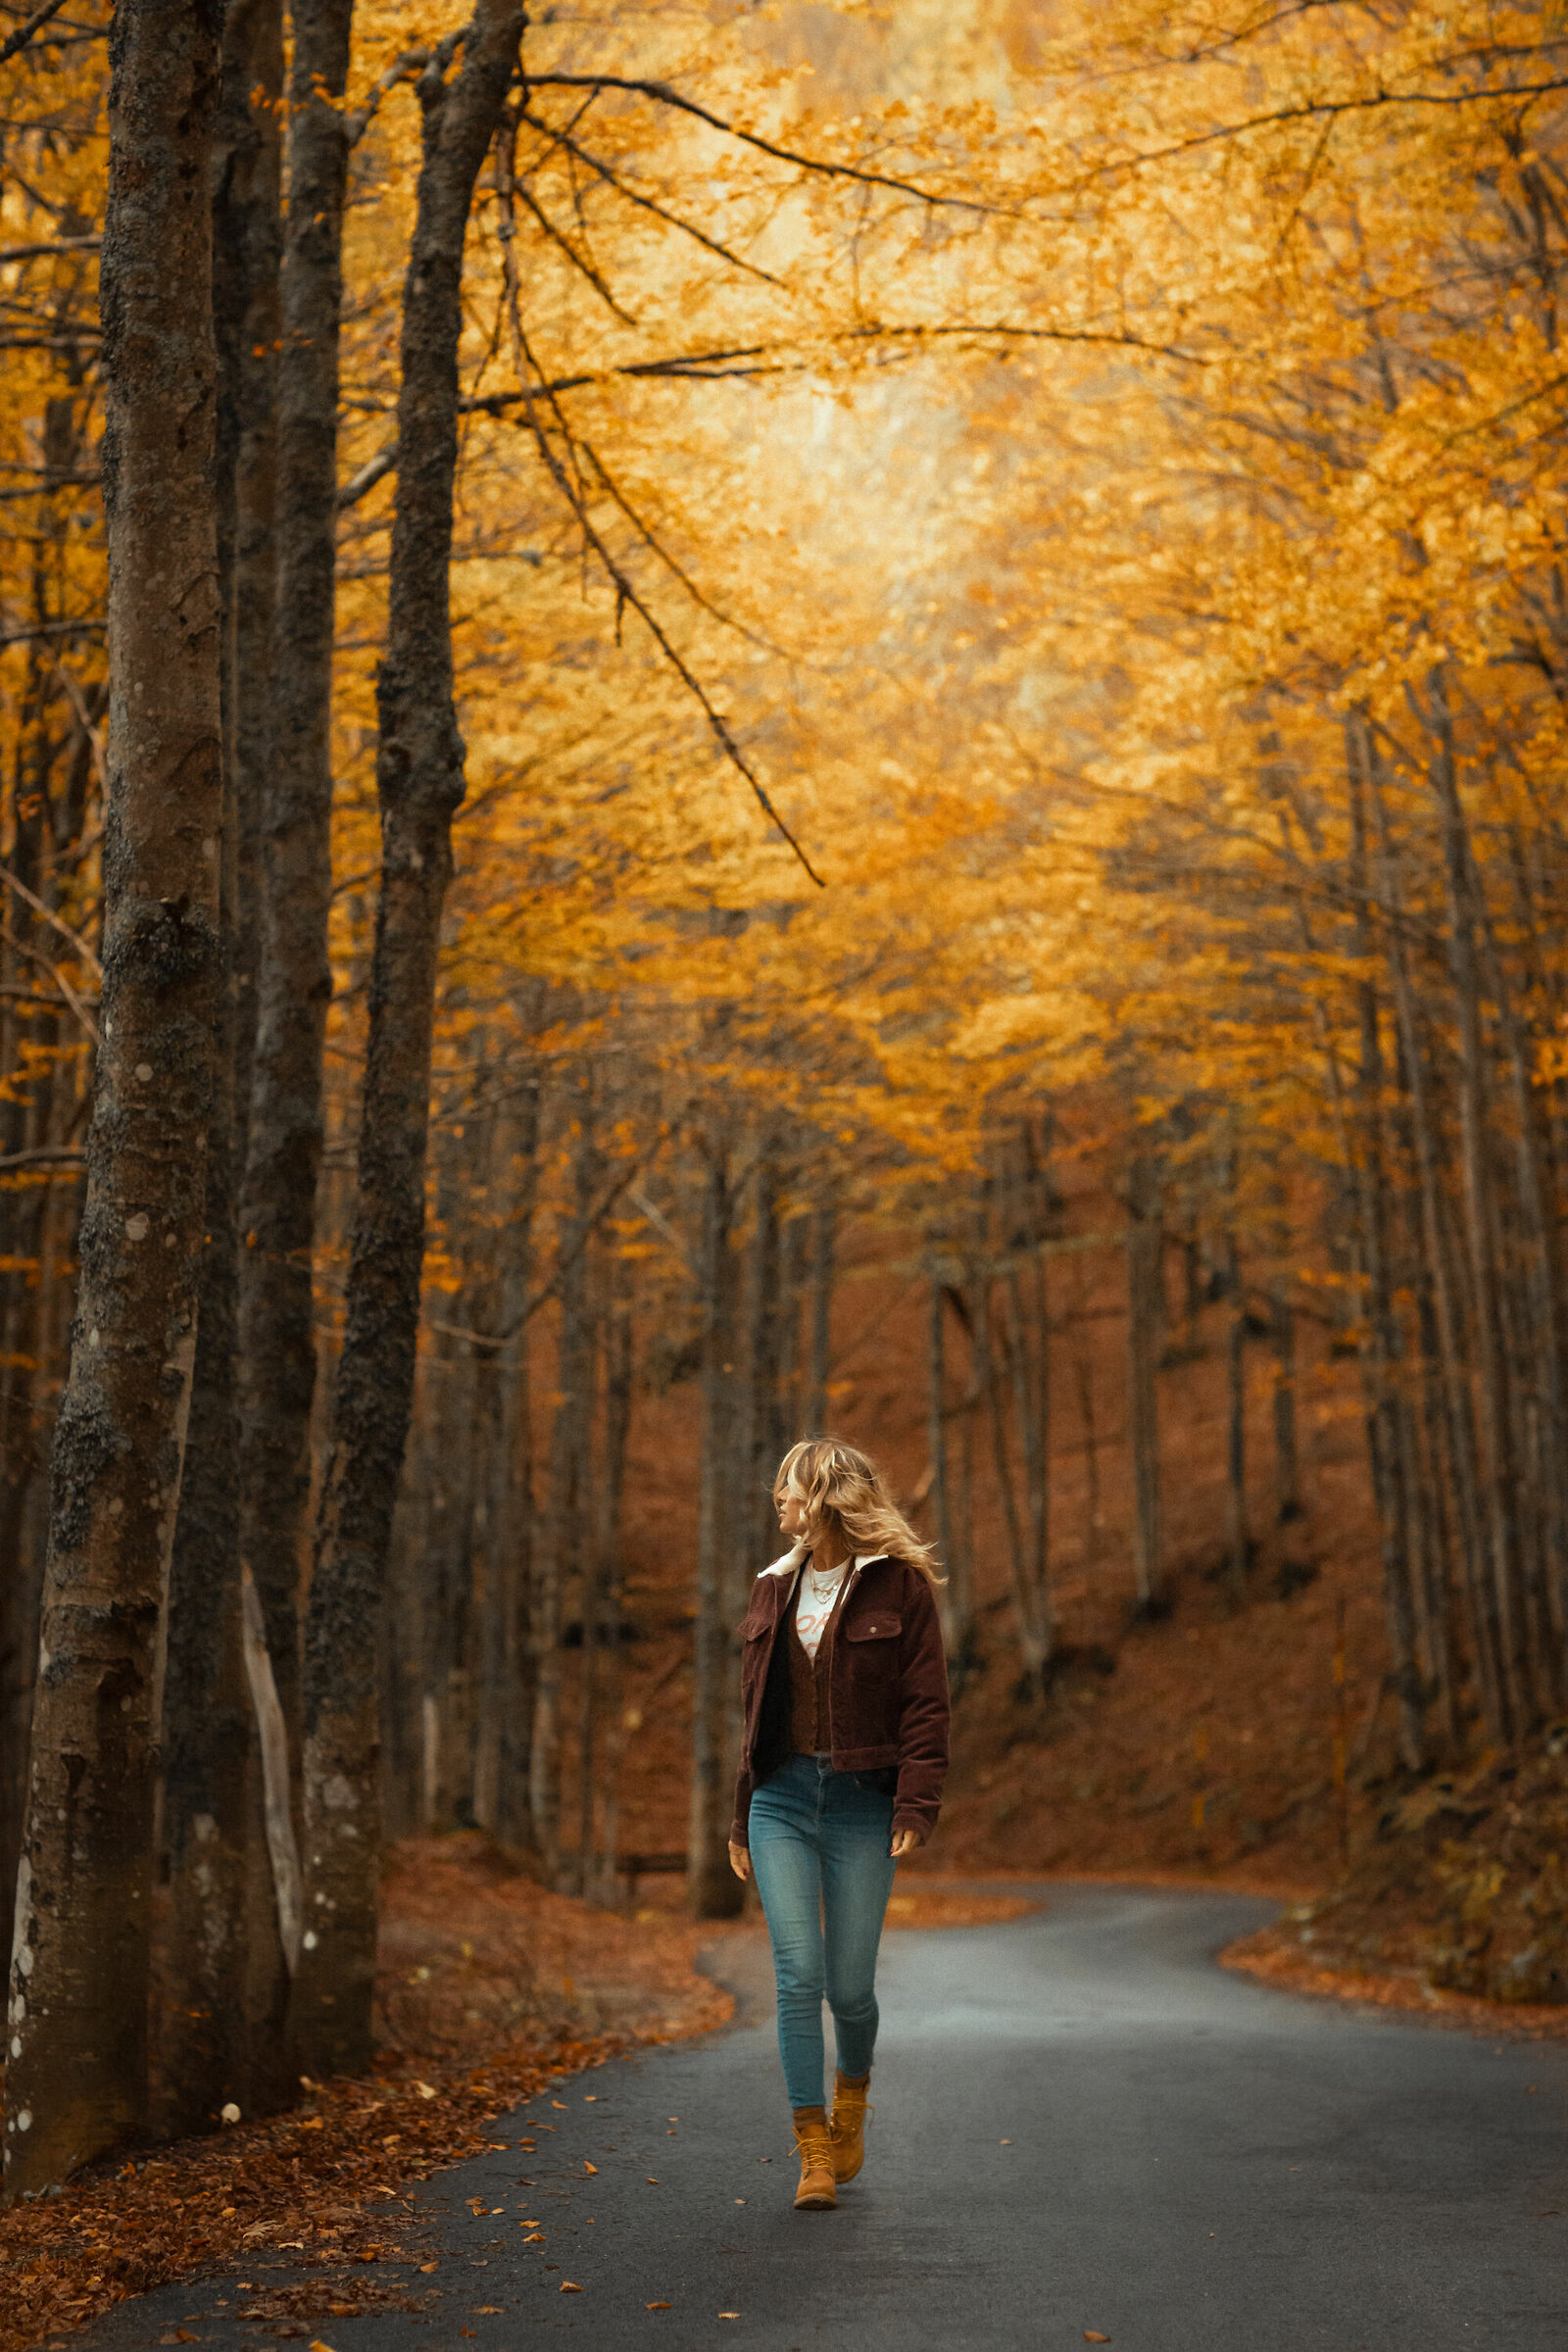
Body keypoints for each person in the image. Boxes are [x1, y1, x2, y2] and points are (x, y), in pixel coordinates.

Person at [728, 1437, 950, 2211]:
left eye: (787, 1487)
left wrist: (916, 1803)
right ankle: (812, 2149)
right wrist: (738, 1816)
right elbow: (753, 1717)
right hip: (780, 1799)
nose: (777, 1499)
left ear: (822, 1496)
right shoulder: (770, 1589)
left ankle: (852, 2096)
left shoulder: (900, 1588)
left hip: (863, 1802)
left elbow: (926, 1703)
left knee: (850, 1989)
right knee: (799, 1975)